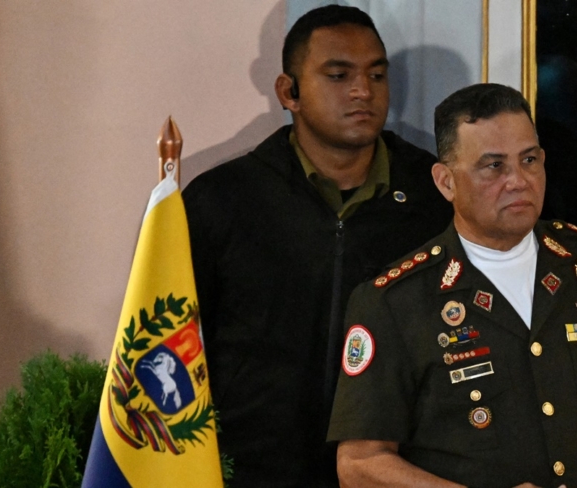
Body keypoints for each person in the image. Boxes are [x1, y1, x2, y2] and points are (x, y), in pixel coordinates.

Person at [327, 83, 577, 488]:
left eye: (529, 160)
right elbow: (360, 463)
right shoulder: (394, 301)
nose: (519, 181)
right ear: (446, 182)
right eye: (494, 166)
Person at [182, 5, 452, 486]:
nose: (362, 91)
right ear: (289, 92)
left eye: (376, 75)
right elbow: (180, 348)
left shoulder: (436, 198)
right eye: (338, 75)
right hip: (252, 472)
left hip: (396, 472)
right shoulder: (222, 200)